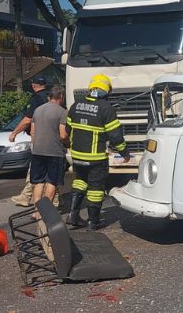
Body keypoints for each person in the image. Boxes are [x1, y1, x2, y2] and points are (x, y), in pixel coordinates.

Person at [65, 74, 129, 231]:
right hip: (96, 158)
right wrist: (124, 153)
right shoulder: (106, 109)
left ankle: (72, 215)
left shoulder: (76, 106)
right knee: (96, 187)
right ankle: (93, 222)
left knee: (80, 181)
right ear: (106, 91)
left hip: (77, 156)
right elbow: (115, 136)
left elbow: (67, 130)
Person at [9, 76, 57, 207]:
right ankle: (56, 199)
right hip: (54, 139)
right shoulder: (52, 97)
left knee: (36, 170)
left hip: (40, 139)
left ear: (34, 86)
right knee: (50, 170)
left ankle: (26, 197)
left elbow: (27, 120)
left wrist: (14, 133)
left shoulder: (36, 99)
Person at [30, 86, 68, 208]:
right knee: (52, 181)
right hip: (55, 151)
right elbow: (62, 135)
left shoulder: (37, 110)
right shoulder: (62, 112)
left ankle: (36, 210)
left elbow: (32, 132)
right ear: (61, 97)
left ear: (49, 96)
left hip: (37, 151)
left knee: (38, 182)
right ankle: (46, 210)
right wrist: (68, 143)